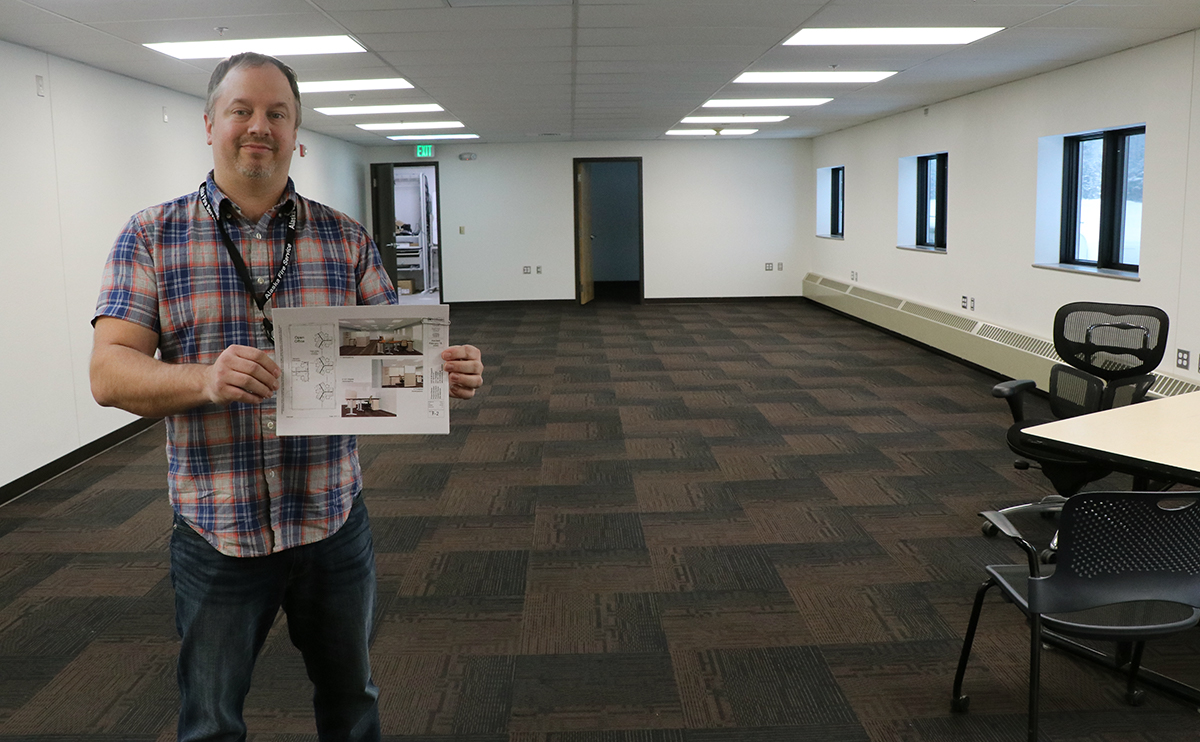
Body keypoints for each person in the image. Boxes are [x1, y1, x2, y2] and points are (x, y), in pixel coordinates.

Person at [89, 52, 484, 742]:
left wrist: (444, 368)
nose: (258, 126)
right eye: (241, 110)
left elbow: (394, 357)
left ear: (296, 132)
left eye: (277, 113)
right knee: (209, 720)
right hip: (218, 528)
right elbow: (109, 372)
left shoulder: (344, 237)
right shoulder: (151, 235)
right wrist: (204, 380)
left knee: (352, 703)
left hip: (331, 517)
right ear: (209, 123)